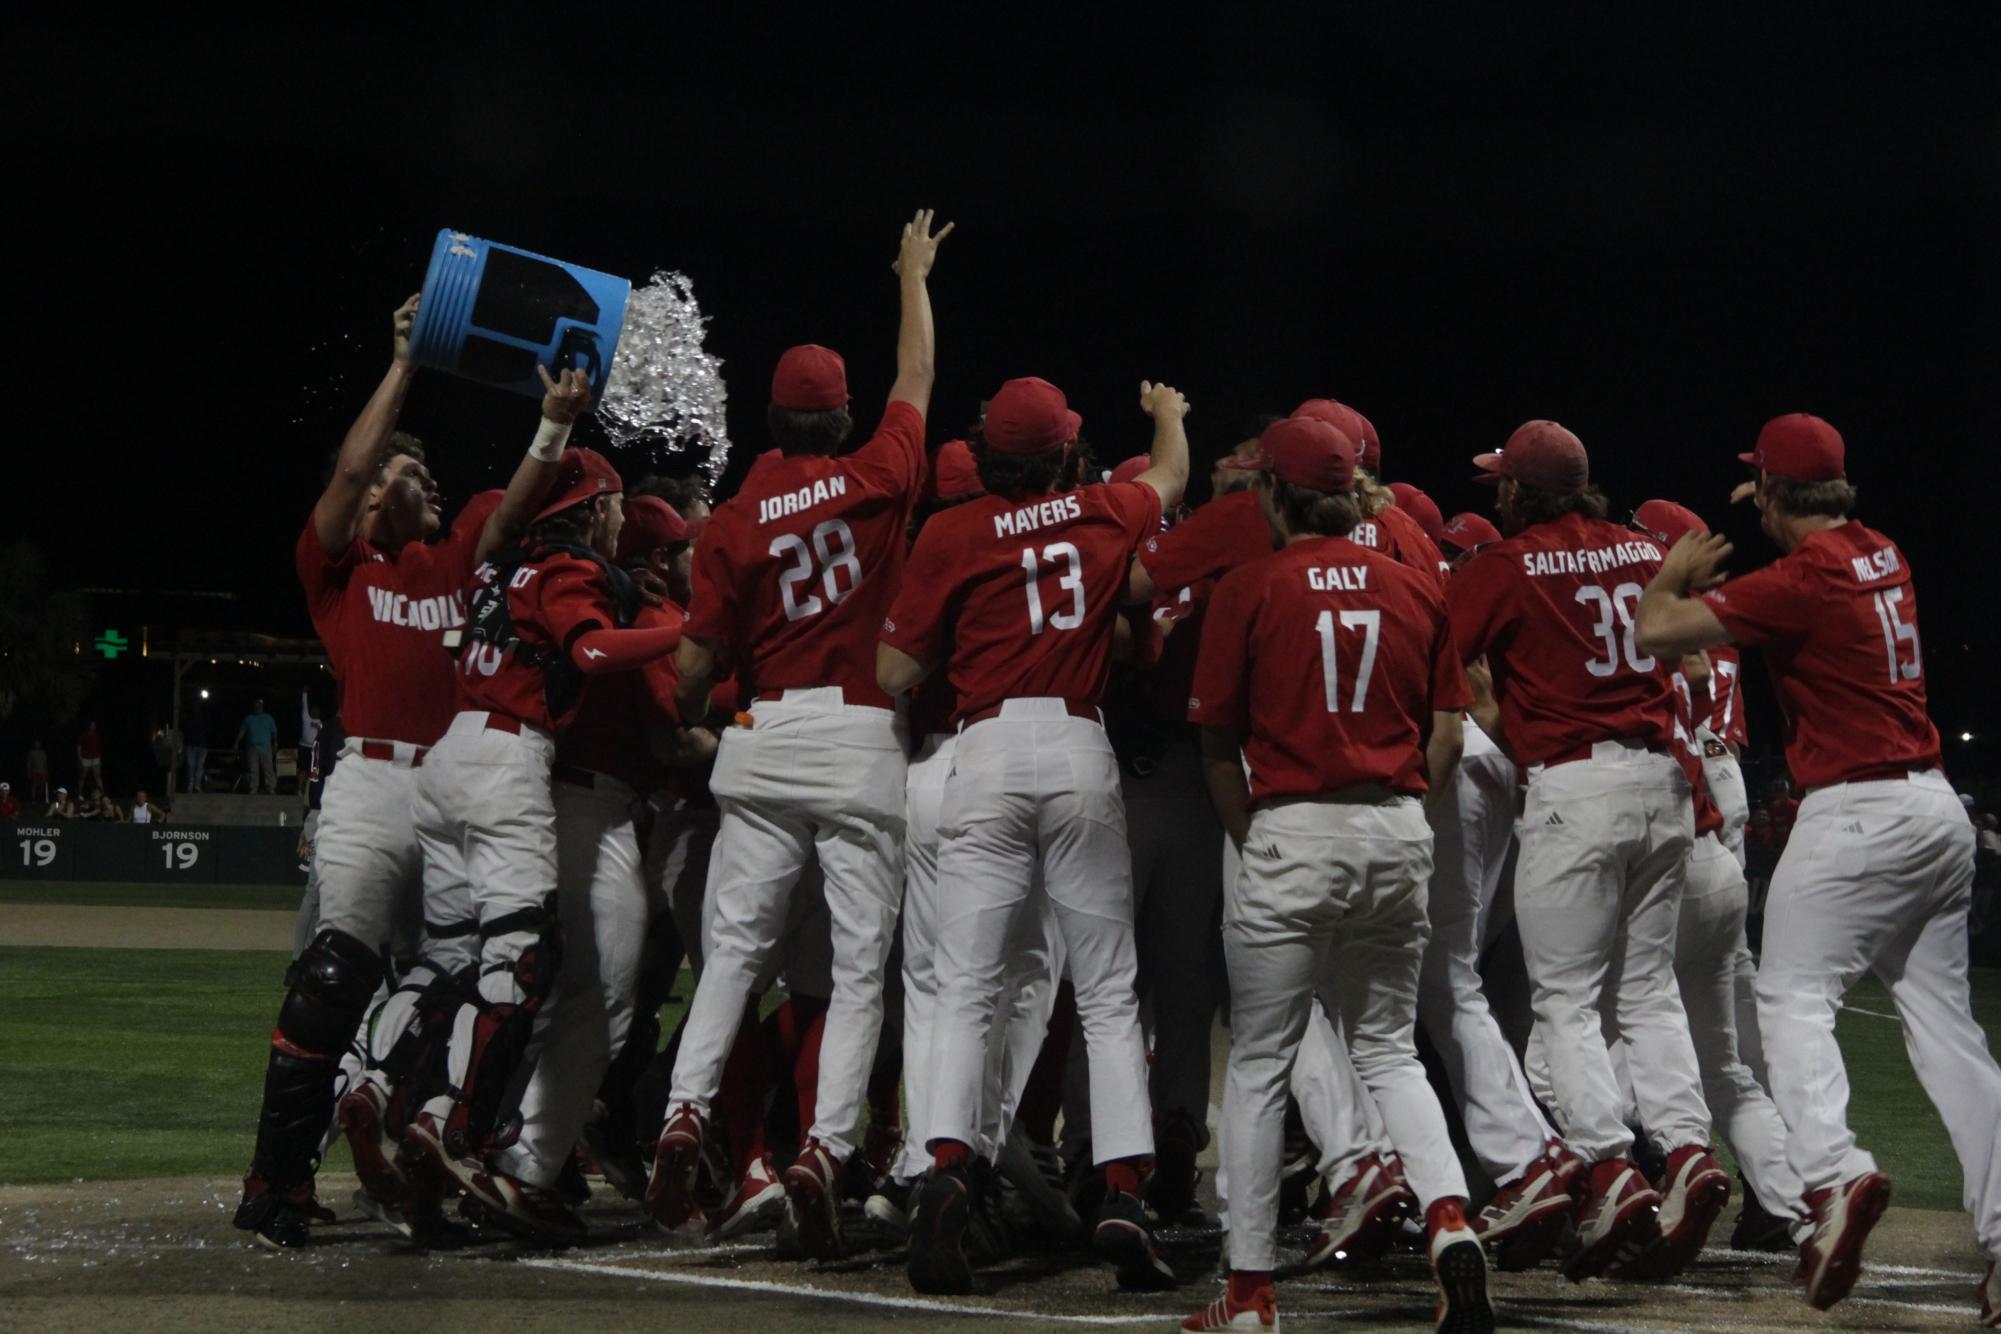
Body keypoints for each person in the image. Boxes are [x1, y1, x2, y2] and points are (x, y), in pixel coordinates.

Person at [1634, 412, 2001, 1320]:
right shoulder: (1884, 549)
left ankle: (1832, 1176)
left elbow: (1656, 631)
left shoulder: (1801, 578)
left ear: (1770, 494)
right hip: (1933, 806)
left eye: (1757, 483)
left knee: (1791, 1000)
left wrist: (1673, 569)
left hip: (1857, 814)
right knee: (1947, 1033)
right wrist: (1774, 497)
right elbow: (1807, 543)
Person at [232, 291, 576, 1252]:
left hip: (459, 787)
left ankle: (420, 1163)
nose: (416, 479)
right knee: (334, 975)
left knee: (455, 984)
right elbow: (348, 466)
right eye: (400, 472)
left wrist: (551, 423)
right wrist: (404, 365)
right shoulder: (338, 569)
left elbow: (511, 507)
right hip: (377, 782)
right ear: (372, 495)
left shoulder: (452, 560)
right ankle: (276, 1182)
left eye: (421, 470)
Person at [649, 209, 952, 1258]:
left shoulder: (731, 515)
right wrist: (911, 272)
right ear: (840, 417)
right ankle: (827, 1144)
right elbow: (916, 372)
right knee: (863, 965)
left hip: (765, 735)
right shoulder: (878, 475)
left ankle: (686, 1111)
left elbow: (693, 669)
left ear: (774, 422)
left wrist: (691, 713)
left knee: (733, 954)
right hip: (862, 736)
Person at [879, 373, 1190, 1294]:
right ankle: (1124, 1192)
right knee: (1104, 988)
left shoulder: (951, 530)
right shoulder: (1100, 509)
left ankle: (944, 1169)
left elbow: (894, 664)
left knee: (966, 985)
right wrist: (1167, 417)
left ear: (984, 454)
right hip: (1076, 742)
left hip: (984, 744)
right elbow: (1169, 477)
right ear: (1062, 452)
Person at [1181, 413, 1489, 1332]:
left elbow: (1215, 746)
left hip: (1291, 823)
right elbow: (1445, 731)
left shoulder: (1248, 584)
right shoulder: (1412, 583)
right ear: (1354, 492)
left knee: (1261, 1063)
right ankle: (1449, 1222)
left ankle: (1248, 1293)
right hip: (1394, 825)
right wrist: (1401, 818)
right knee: (1388, 1050)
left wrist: (1253, 836)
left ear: (1273, 492)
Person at [1446, 420, 1723, 1282]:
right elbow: (1699, 664)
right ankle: (1684, 1154)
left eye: (1503, 482)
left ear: (1518, 492)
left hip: (1575, 783)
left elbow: (1439, 658)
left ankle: (1606, 1166)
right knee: (1645, 993)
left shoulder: (1503, 562)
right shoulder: (1641, 550)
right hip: (1661, 779)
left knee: (1564, 1001)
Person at [400, 446, 684, 1210]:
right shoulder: (596, 583)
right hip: (532, 776)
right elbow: (597, 657)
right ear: (596, 509)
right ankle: (501, 1151)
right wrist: (691, 628)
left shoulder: (508, 563)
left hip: (463, 762)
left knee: (468, 965)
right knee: (573, 987)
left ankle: (424, 1116)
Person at [473, 494, 709, 1240]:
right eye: (682, 547)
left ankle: (501, 1145)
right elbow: (674, 743)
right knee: (598, 995)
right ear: (654, 558)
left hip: (580, 802)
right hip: (588, 807)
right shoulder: (641, 617)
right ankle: (520, 1162)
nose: (692, 559)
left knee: (569, 994)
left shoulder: (628, 604)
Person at [236, 700, 279, 794]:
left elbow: (274, 732)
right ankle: (253, 788)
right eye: (255, 706)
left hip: (266, 747)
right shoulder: (248, 718)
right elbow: (242, 731)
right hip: (252, 748)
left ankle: (271, 788)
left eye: (259, 706)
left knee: (268, 769)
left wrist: (275, 744)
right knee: (253, 769)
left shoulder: (268, 718)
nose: (257, 708)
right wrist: (236, 742)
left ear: (262, 707)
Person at [150, 722, 182, 798]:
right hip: (161, 761)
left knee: (169, 776)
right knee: (162, 778)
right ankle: (162, 794)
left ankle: (168, 794)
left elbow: (179, 749)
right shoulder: (160, 734)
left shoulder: (175, 735)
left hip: (168, 761)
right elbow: (155, 745)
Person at [76, 721, 104, 798]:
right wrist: (80, 759)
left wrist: (99, 759)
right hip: (85, 759)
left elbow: (99, 748)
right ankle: (79, 794)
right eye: (92, 725)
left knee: (97, 776)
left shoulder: (97, 736)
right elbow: (79, 747)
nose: (93, 727)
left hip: (95, 758)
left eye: (94, 726)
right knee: (82, 777)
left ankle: (102, 794)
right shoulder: (84, 735)